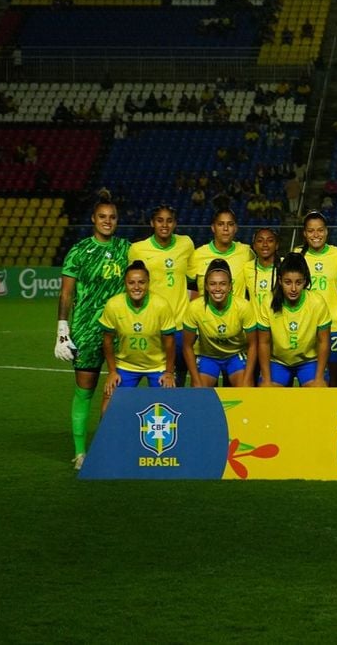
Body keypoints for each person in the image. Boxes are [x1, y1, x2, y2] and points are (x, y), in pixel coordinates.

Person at [55, 190, 131, 470]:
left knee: (116, 391)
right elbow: (66, 294)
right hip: (86, 331)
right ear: (93, 219)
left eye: (112, 217)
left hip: (119, 332)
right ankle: (80, 452)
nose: (107, 221)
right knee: (84, 391)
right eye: (102, 217)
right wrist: (62, 329)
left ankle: (109, 447)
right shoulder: (78, 251)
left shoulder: (126, 249)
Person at [99, 261, 178, 414]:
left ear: (149, 283)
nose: (136, 287)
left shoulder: (161, 305)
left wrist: (168, 372)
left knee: (167, 409)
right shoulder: (114, 305)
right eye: (131, 282)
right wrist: (112, 372)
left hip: (157, 366)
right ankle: (110, 437)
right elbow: (107, 341)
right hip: (125, 366)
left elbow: (170, 342)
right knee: (108, 403)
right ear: (125, 284)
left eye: (141, 282)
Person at [128, 205, 195, 378]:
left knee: (178, 378)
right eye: (159, 220)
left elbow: (195, 281)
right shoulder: (137, 249)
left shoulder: (186, 243)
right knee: (156, 378)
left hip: (181, 324)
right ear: (152, 223)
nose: (164, 225)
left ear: (175, 224)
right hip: (153, 325)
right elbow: (132, 287)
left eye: (169, 221)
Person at [182, 259, 258, 388]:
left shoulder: (243, 306)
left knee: (245, 389)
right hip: (208, 357)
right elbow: (187, 346)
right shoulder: (195, 308)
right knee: (198, 392)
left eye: (223, 284)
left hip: (235, 355)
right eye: (212, 284)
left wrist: (247, 378)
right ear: (206, 286)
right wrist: (195, 379)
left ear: (230, 286)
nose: (217, 289)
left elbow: (253, 344)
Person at [259, 253, 331, 387]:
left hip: (309, 362)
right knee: (267, 396)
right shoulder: (268, 301)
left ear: (305, 281)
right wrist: (267, 380)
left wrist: (319, 378)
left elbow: (323, 341)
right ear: (280, 281)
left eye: (298, 282)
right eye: (288, 282)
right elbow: (264, 343)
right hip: (278, 362)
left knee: (318, 392)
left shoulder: (317, 302)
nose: (293, 289)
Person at [297, 211, 337, 386]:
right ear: (304, 233)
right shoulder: (297, 255)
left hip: (334, 326)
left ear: (326, 231)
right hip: (305, 328)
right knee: (309, 380)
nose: (316, 235)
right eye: (311, 231)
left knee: (333, 381)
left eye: (320, 230)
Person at [188, 205, 253, 303]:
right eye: (220, 224)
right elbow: (186, 287)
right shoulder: (197, 255)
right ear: (213, 228)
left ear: (235, 228)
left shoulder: (247, 252)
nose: (225, 228)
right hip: (206, 317)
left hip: (237, 317)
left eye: (230, 224)